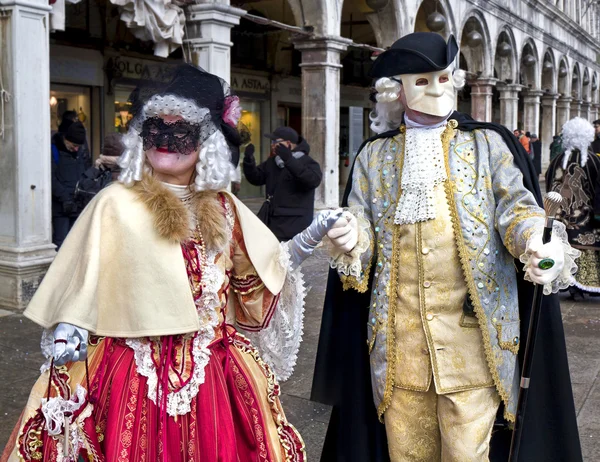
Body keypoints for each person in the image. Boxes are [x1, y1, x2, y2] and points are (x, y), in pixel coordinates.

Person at [1, 64, 343, 462]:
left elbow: (255, 275)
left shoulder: (224, 208)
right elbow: (83, 278)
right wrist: (69, 324)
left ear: (207, 142)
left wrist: (308, 239)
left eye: (180, 130)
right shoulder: (114, 203)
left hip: (213, 371)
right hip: (131, 368)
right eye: (155, 128)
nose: (164, 138)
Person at [312, 32, 583, 462]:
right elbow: (363, 225)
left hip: (474, 348)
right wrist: (350, 237)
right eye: (421, 81)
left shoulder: (488, 145)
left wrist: (536, 240)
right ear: (397, 89)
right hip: (400, 353)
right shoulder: (373, 157)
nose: (436, 90)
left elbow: (515, 208)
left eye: (443, 78)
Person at [546, 117, 600, 296]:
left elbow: (549, 183)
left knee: (564, 244)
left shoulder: (557, 160)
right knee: (584, 247)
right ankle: (580, 285)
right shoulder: (593, 160)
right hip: (587, 216)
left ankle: (566, 281)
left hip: (560, 216)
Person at [243, 126, 322, 241]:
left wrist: (289, 160)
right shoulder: (273, 162)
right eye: (272, 142)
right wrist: (249, 160)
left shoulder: (308, 162)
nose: (272, 145)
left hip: (294, 225)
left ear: (288, 143)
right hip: (273, 223)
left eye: (275, 141)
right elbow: (256, 178)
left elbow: (312, 180)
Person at [51, 121, 88, 249]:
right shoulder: (54, 151)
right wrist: (65, 198)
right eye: (74, 145)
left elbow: (85, 175)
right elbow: (51, 179)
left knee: (76, 244)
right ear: (66, 139)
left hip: (78, 205)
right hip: (61, 207)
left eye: (79, 146)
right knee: (61, 245)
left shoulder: (81, 153)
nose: (76, 148)